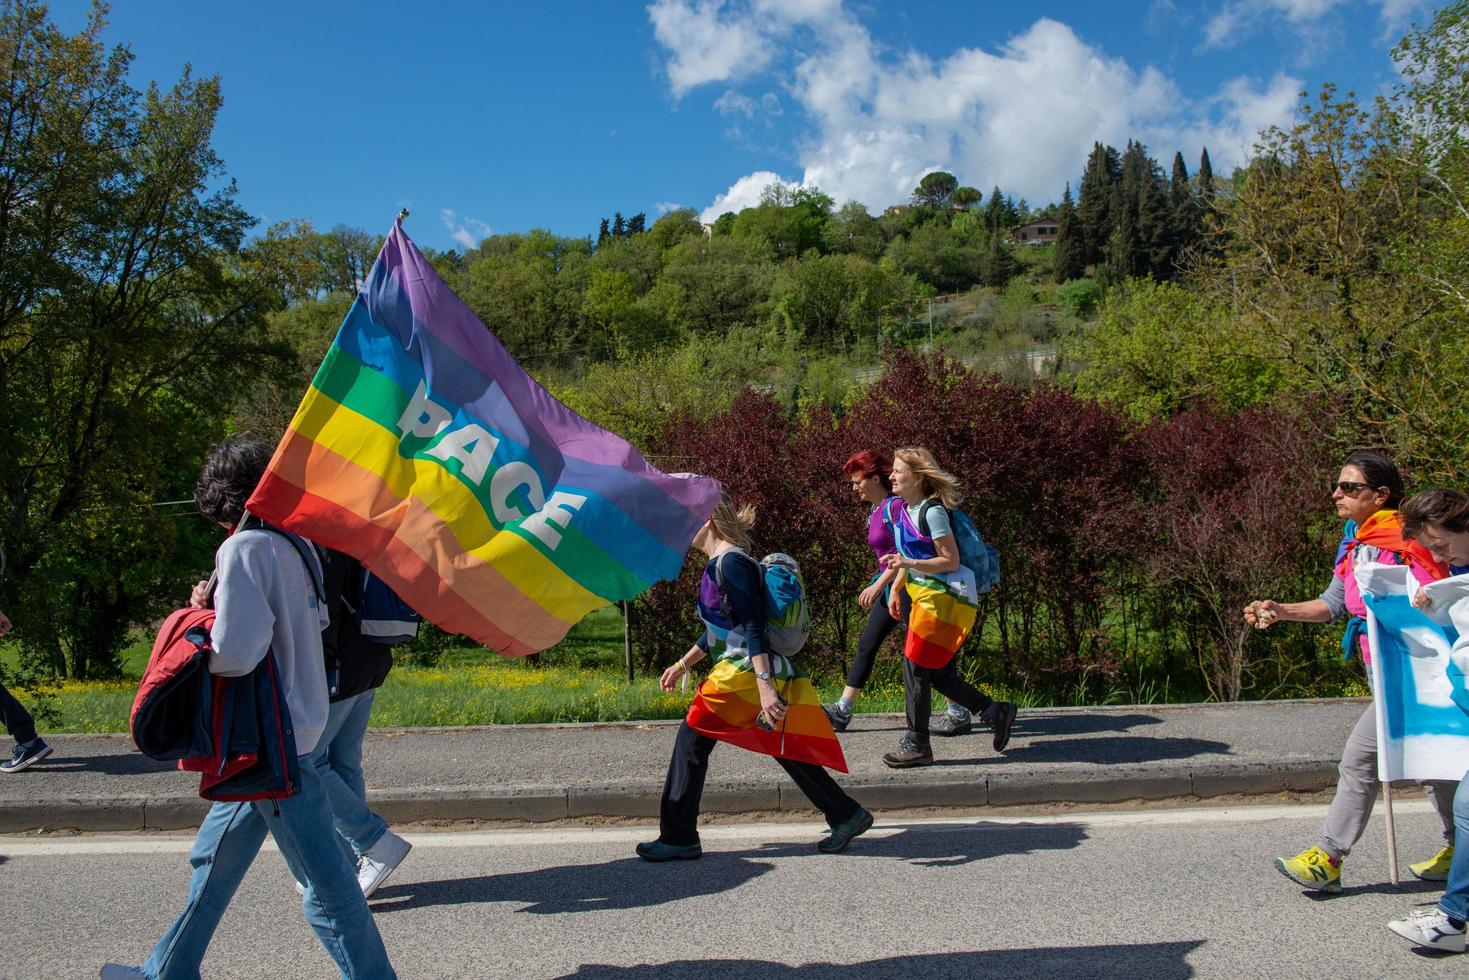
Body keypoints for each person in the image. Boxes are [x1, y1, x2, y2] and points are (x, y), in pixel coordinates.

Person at [102, 437, 395, 979]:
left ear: (221, 499)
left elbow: (237, 654)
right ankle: (165, 971)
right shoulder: (296, 541)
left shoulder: (243, 549)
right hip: (286, 733)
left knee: (327, 892)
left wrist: (194, 642)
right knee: (213, 865)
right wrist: (216, 606)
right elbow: (305, 625)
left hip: (269, 747)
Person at [1248, 450, 1457, 894]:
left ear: (1381, 494)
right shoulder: (1356, 538)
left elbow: (1443, 595)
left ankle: (1327, 857)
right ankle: (1460, 849)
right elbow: (1334, 604)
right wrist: (1281, 610)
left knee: (1361, 759)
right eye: (1337, 486)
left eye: (1350, 487)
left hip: (1416, 672)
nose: (1336, 494)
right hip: (1378, 667)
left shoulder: (1411, 540)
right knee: (1433, 763)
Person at [637, 493, 872, 861]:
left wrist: (765, 688)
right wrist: (683, 664)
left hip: (745, 672)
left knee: (691, 740)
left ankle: (679, 837)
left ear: (709, 521)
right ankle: (846, 814)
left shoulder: (731, 563)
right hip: (748, 669)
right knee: (781, 746)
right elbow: (720, 629)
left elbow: (753, 628)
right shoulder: (722, 562)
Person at [879, 447, 1016, 769]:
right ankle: (993, 711)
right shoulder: (902, 510)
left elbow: (949, 560)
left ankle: (917, 743)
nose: (891, 476)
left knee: (914, 667)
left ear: (917, 476)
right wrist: (896, 588)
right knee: (932, 670)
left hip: (941, 602)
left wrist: (908, 563)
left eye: (898, 471)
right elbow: (904, 559)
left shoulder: (933, 512)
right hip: (921, 598)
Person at [822, 450, 971, 736]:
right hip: (893, 586)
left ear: (874, 478)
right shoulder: (876, 510)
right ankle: (843, 708)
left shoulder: (896, 507)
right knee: (869, 642)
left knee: (923, 654)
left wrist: (881, 585)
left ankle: (959, 711)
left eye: (857, 481)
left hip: (909, 587)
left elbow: (905, 552)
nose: (854, 488)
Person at [1386, 488, 1469, 952]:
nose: (1439, 556)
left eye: (1441, 545)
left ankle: (1454, 919)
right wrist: (1436, 604)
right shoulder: (1459, 566)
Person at [307, 546, 412, 898]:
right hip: (370, 657)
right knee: (342, 762)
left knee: (308, 761)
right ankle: (352, 861)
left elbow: (327, 609)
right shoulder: (353, 531)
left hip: (339, 665)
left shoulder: (319, 540)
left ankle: (373, 842)